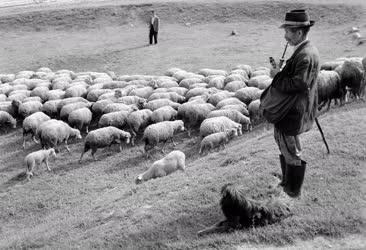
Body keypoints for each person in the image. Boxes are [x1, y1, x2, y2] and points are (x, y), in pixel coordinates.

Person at [260, 9, 320, 198]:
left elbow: (299, 83)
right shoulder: (302, 51)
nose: (285, 36)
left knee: (290, 147)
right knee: (284, 143)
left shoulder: (305, 55)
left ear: (299, 33)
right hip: (291, 107)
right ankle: (287, 182)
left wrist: (277, 76)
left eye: (288, 32)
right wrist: (281, 70)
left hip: (293, 109)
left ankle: (293, 191)